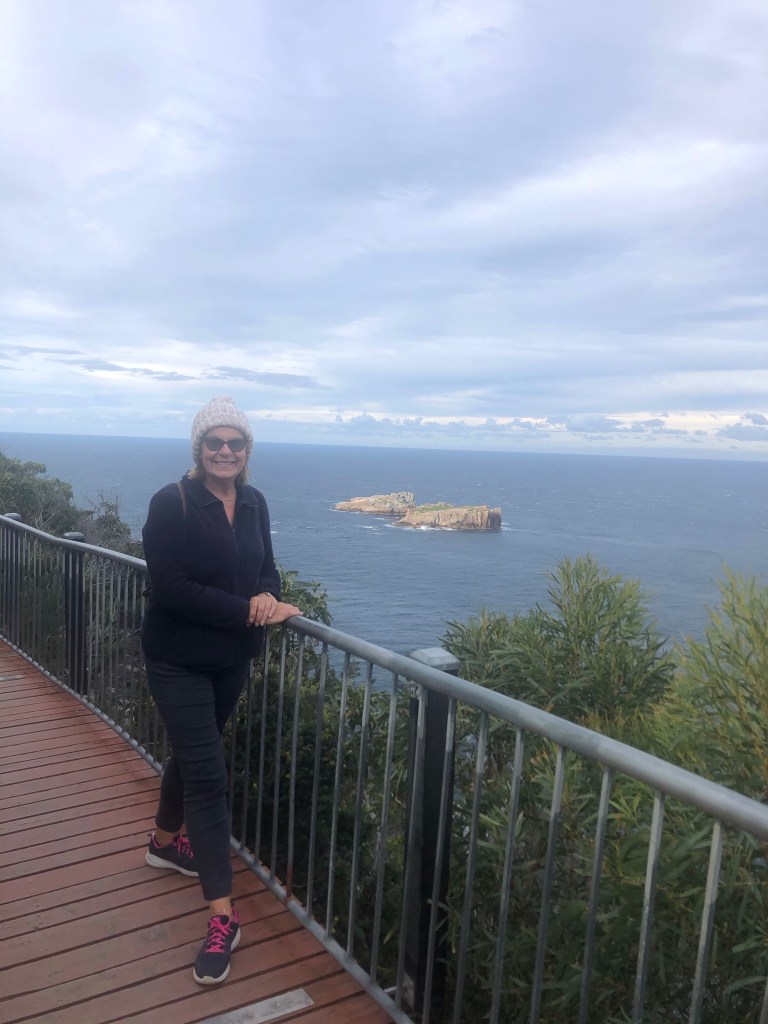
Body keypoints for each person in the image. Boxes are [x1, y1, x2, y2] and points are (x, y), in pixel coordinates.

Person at [140, 395, 301, 985]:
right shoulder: (172, 502)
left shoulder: (254, 503)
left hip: (232, 659)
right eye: (215, 442)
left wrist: (267, 595)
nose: (225, 451)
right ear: (199, 448)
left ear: (247, 450)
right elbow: (172, 587)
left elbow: (267, 569)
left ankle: (164, 845)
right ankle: (223, 919)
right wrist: (247, 611)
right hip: (177, 658)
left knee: (193, 753)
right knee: (209, 776)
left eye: (235, 442)